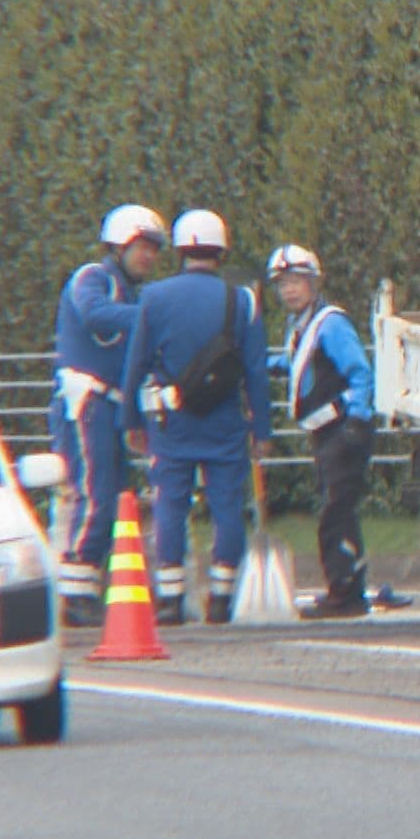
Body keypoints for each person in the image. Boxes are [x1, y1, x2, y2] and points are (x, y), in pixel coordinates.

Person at [121, 209, 272, 625]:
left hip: (173, 420)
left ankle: (170, 596)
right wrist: (262, 428)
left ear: (181, 249)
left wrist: (131, 420)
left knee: (171, 501)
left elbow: (136, 364)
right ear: (221, 251)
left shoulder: (154, 297)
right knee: (227, 504)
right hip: (224, 420)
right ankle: (221, 595)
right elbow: (255, 370)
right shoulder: (242, 300)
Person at [50, 204, 166, 626]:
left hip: (113, 404)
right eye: (141, 247)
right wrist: (155, 317)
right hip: (86, 400)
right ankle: (74, 588)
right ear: (117, 245)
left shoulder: (137, 296)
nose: (148, 256)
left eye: (154, 249)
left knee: (117, 494)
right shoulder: (91, 277)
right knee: (94, 491)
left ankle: (89, 583)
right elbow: (94, 313)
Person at [264, 244, 381, 619]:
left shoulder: (330, 323)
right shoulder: (301, 327)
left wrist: (357, 421)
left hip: (342, 430)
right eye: (282, 284)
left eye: (295, 282)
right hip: (325, 433)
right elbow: (300, 364)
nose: (288, 291)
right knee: (335, 508)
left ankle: (345, 593)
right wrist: (265, 364)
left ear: (314, 282)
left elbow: (360, 372)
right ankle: (346, 587)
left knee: (337, 511)